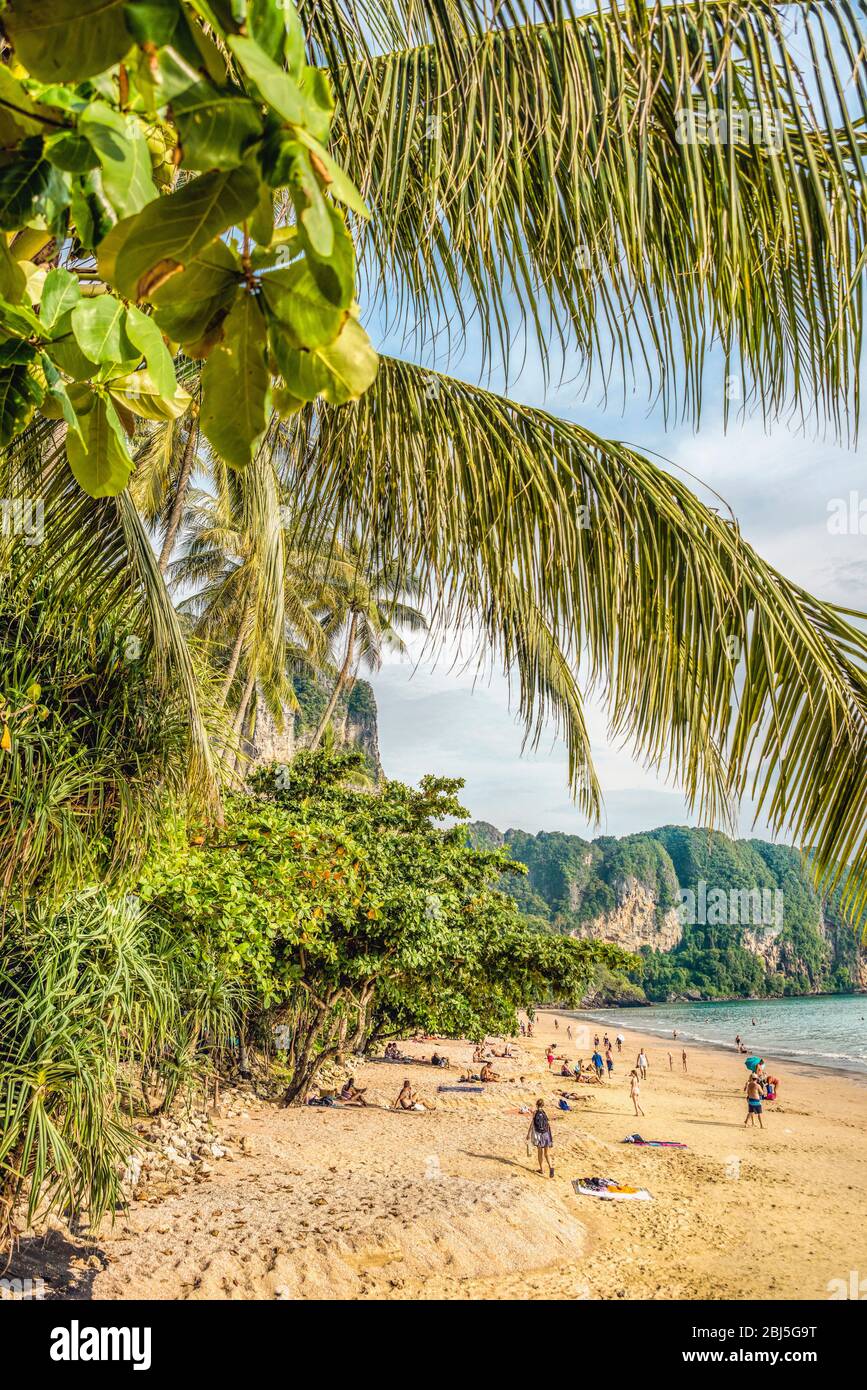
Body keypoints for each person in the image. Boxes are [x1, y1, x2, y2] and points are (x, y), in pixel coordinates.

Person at [526, 1098, 554, 1177]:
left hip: (539, 1135)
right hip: (546, 1134)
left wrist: (528, 1134)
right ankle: (551, 1167)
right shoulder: (544, 1113)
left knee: (540, 1153)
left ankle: (541, 1169)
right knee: (547, 1154)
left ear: (536, 1105)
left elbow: (532, 1124)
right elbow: (548, 1125)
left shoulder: (535, 1112)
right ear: (543, 1105)